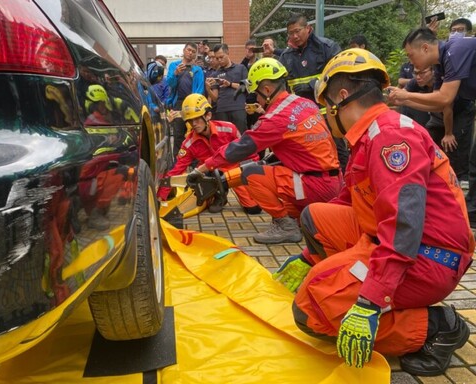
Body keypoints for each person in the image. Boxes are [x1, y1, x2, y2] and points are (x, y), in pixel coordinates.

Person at [273, 48, 474, 376]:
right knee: (315, 217)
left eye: (326, 106)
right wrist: (309, 258)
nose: (325, 114)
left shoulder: (391, 137)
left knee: (312, 310)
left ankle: (437, 326)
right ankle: (350, 279)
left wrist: (370, 301)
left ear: (340, 97)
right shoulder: (371, 134)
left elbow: (403, 227)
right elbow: (350, 203)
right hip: (396, 240)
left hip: (428, 258)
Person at [191, 58, 342, 244]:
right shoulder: (304, 103)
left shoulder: (275, 118)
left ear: (268, 90)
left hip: (314, 185)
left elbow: (238, 149)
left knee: (251, 172)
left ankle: (285, 226)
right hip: (333, 181)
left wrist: (201, 169)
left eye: (257, 95)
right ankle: (299, 219)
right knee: (269, 167)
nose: (257, 99)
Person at [387, 27, 476, 225]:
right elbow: (440, 103)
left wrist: (406, 95)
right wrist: (404, 101)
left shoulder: (456, 50)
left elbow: (445, 97)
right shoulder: (441, 65)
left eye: (411, 55)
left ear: (425, 48)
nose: (411, 63)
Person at [157, 94, 261, 214]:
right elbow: (176, 170)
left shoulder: (229, 129)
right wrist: (161, 198)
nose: (193, 124)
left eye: (196, 119)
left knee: (253, 209)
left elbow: (248, 152)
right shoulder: (189, 144)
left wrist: (254, 174)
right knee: (199, 185)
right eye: (190, 121)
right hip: (210, 174)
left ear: (208, 116)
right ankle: (219, 196)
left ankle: (227, 189)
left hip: (235, 171)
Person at [279, 14, 349, 172]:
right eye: (291, 33)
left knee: (338, 151)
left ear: (308, 28)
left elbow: (340, 75)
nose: (294, 36)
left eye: (297, 31)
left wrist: (311, 85)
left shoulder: (327, 48)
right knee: (307, 154)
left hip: (328, 113)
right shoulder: (286, 56)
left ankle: (345, 186)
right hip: (301, 118)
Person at [166, 42, 205, 159]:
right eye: (188, 50)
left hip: (193, 103)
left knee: (194, 133)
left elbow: (200, 89)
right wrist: (175, 73)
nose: (190, 53)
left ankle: (193, 163)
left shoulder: (198, 70)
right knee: (178, 133)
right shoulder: (174, 65)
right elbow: (170, 84)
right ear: (184, 50)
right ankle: (178, 163)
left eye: (193, 51)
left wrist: (195, 103)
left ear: (195, 54)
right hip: (178, 103)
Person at [206, 43, 248, 133]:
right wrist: (208, 88)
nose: (219, 60)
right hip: (221, 110)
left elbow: (246, 87)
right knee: (224, 139)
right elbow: (215, 98)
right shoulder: (215, 74)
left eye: (221, 57)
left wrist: (230, 84)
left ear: (228, 53)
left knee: (240, 137)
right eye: (217, 58)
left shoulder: (240, 68)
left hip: (238, 108)